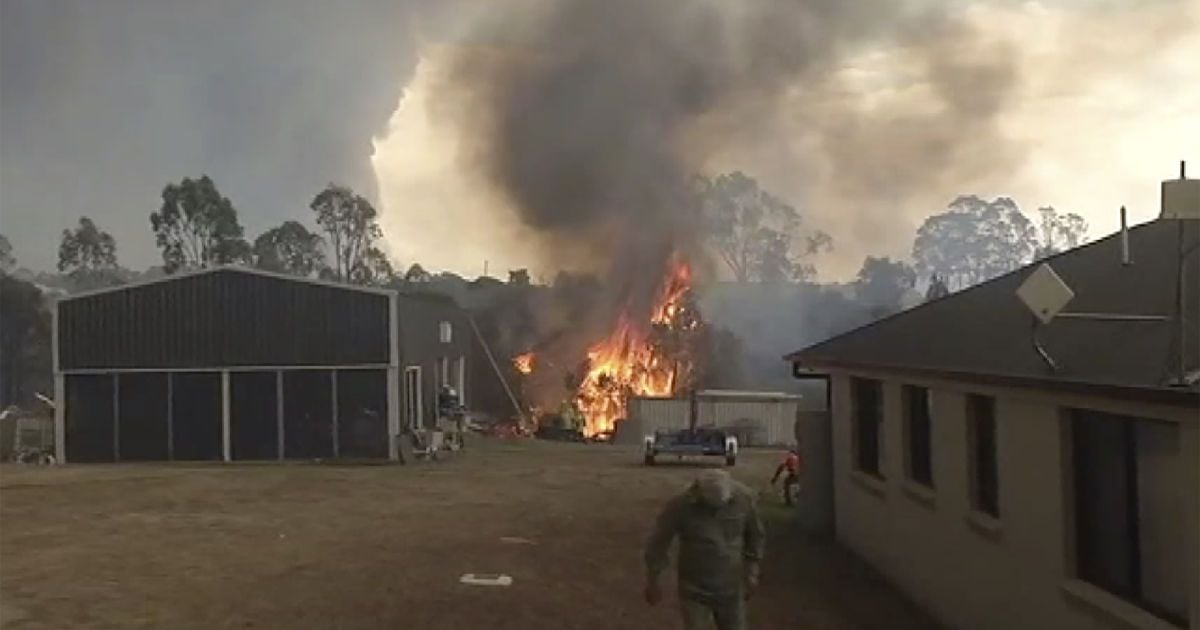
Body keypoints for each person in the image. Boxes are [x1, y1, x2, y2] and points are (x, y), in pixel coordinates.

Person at [644, 469, 766, 630]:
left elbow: (755, 535)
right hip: (694, 589)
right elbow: (659, 542)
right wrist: (653, 579)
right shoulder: (680, 505)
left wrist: (752, 570)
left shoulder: (744, 500)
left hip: (731, 587)